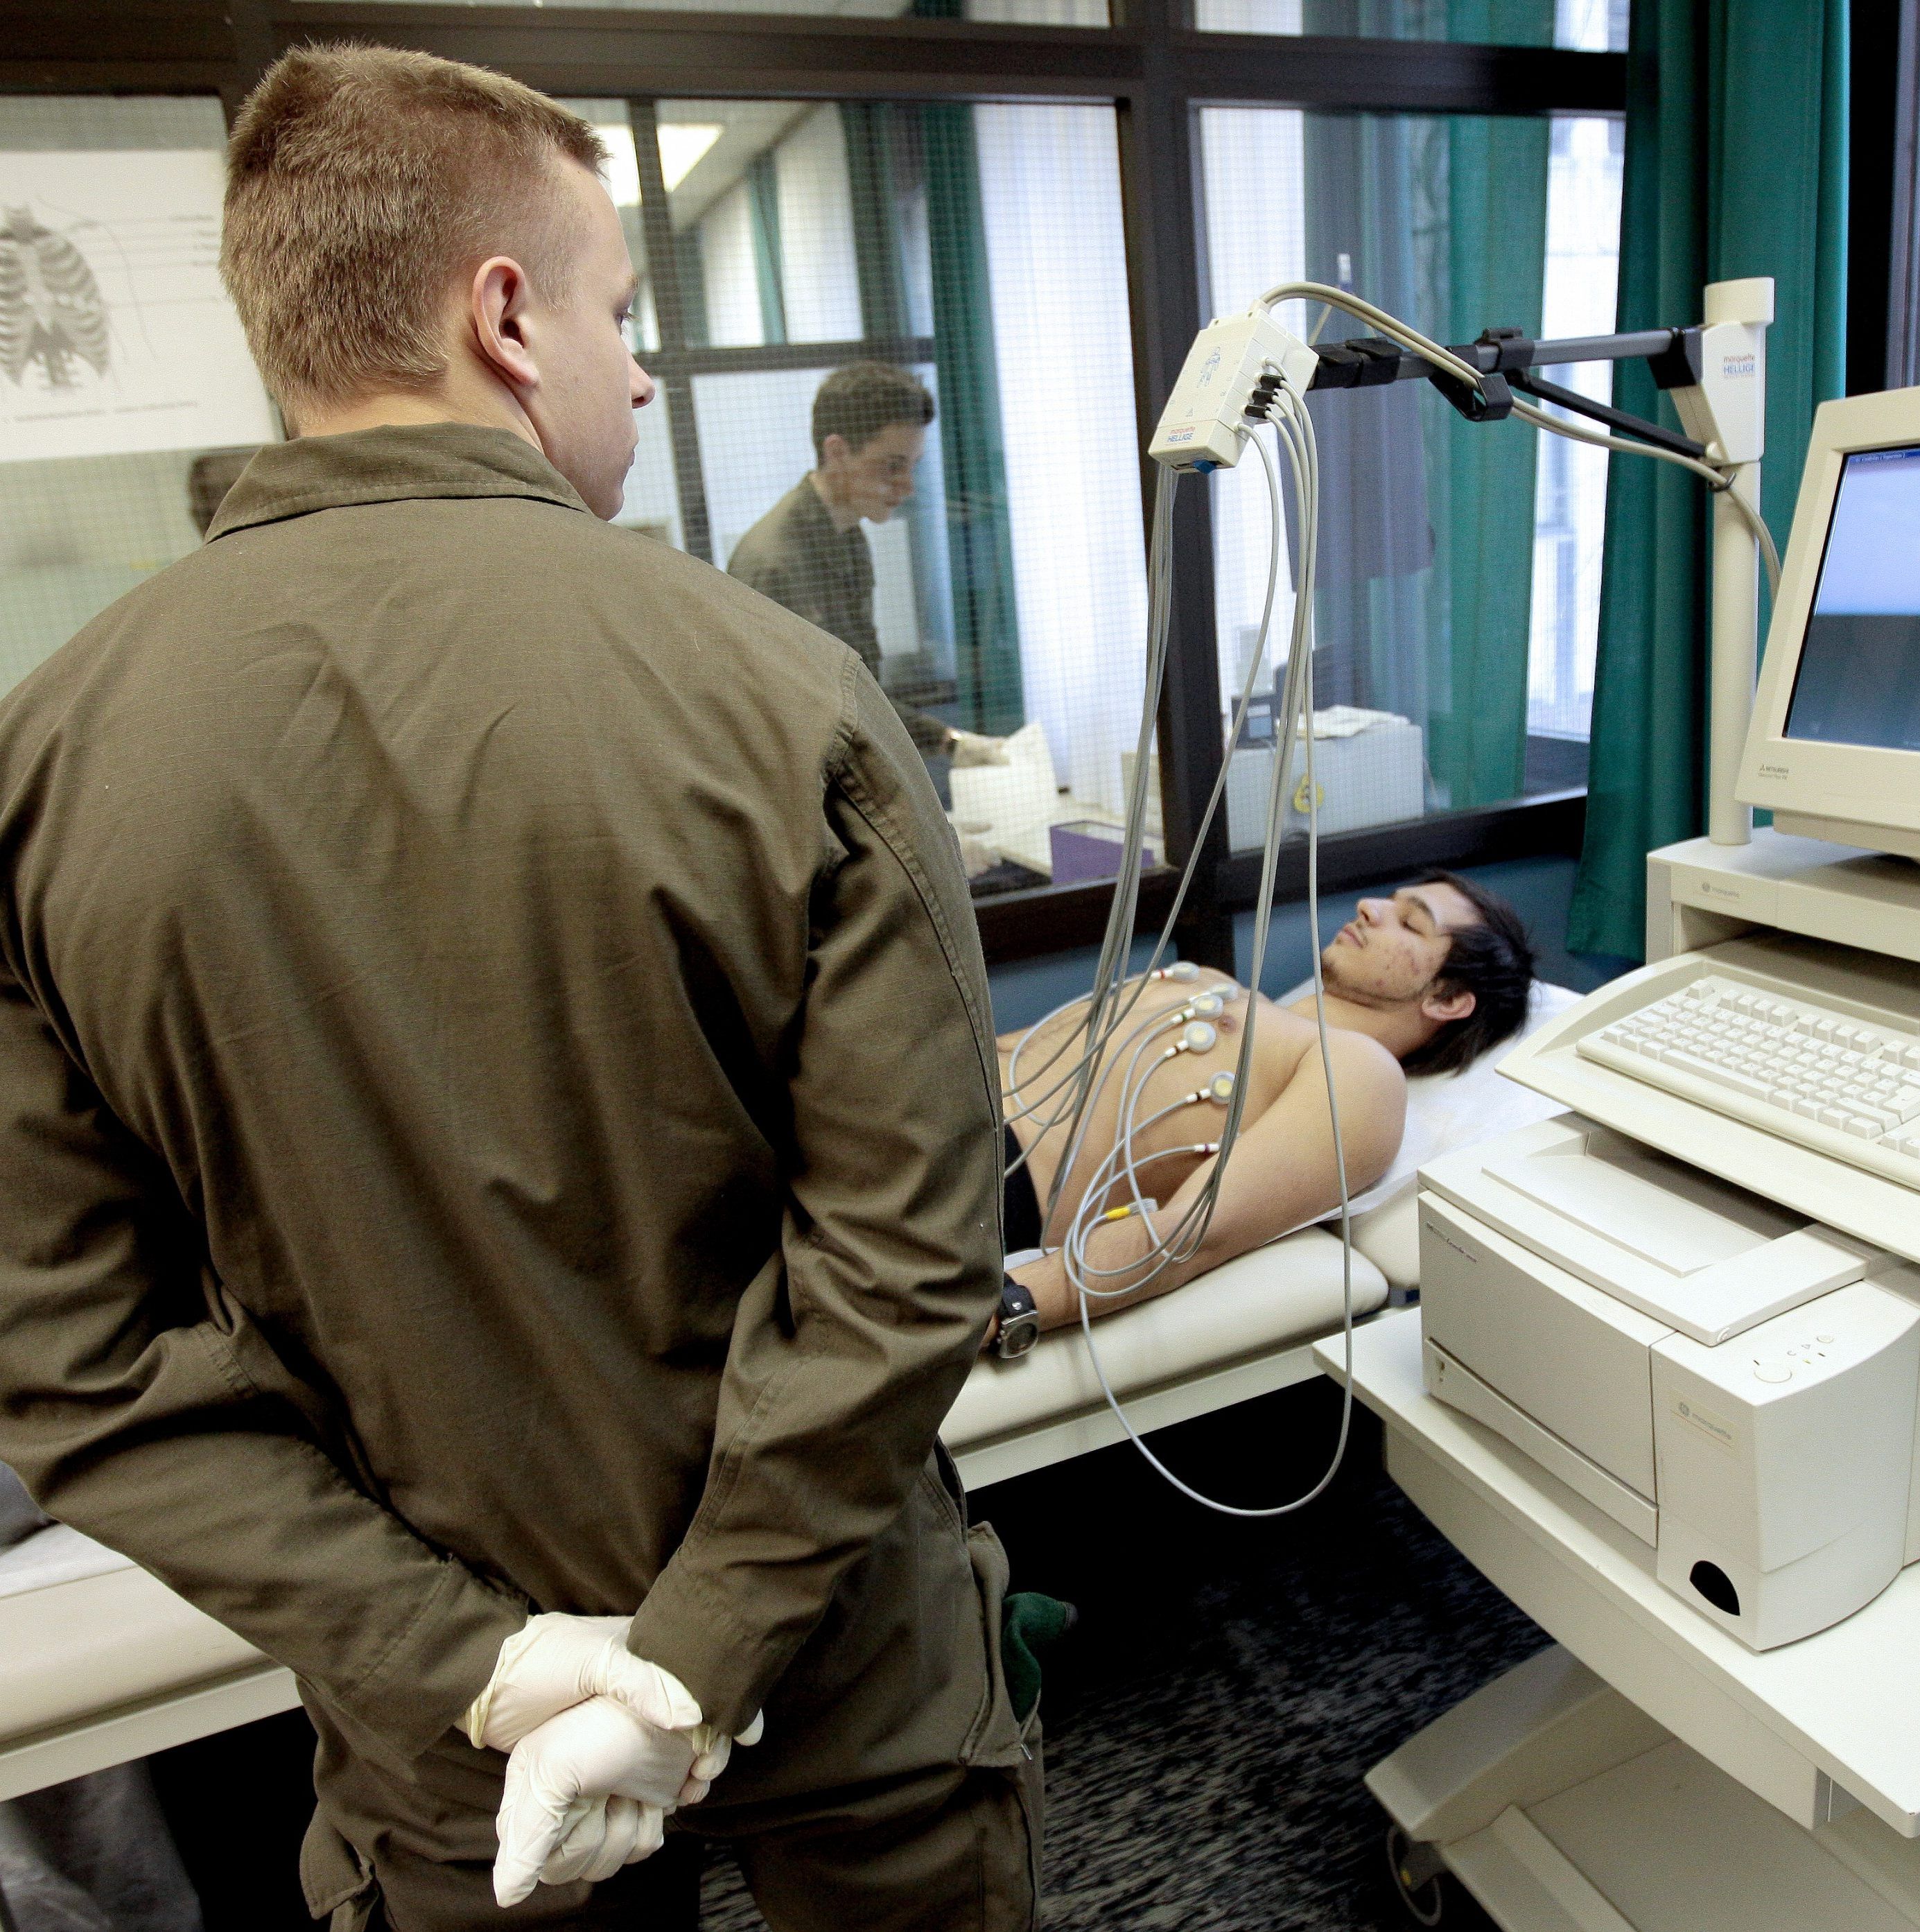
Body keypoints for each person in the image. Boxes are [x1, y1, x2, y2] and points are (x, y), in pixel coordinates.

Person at [0, 45, 1036, 1932]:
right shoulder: (776, 696)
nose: (638, 374)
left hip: (449, 1755)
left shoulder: (42, 769)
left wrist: (483, 1666)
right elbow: (907, 1266)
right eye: (619, 314)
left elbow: (75, 1367)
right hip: (840, 1678)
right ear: (502, 316)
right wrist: (691, 1656)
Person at [999, 871, 1535, 1337]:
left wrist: (1001, 1307)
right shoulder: (1208, 982)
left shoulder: (1357, 1071)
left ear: (1446, 998)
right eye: (1388, 902)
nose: (1369, 907)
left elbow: (1188, 1234)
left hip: (993, 1173)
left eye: (1411, 923)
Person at [728, 362, 1009, 773]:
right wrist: (944, 742)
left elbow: (857, 689)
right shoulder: (776, 560)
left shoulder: (847, 533)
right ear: (837, 452)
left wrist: (948, 741)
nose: (907, 486)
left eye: (912, 466)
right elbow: (806, 711)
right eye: (892, 466)